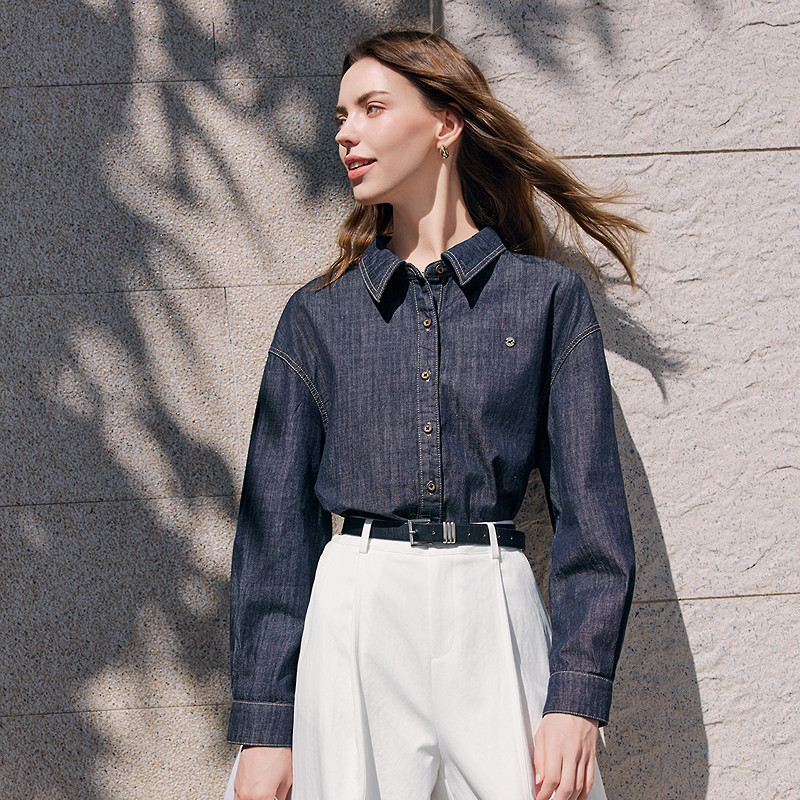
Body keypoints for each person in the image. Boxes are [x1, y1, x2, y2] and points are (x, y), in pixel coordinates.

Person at [224, 29, 641, 800]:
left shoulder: (546, 301)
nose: (345, 133)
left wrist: (577, 700)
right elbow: (273, 534)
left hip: (495, 609)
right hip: (356, 616)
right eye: (340, 115)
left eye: (371, 108)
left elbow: (593, 521)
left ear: (445, 122)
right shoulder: (318, 316)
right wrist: (266, 726)